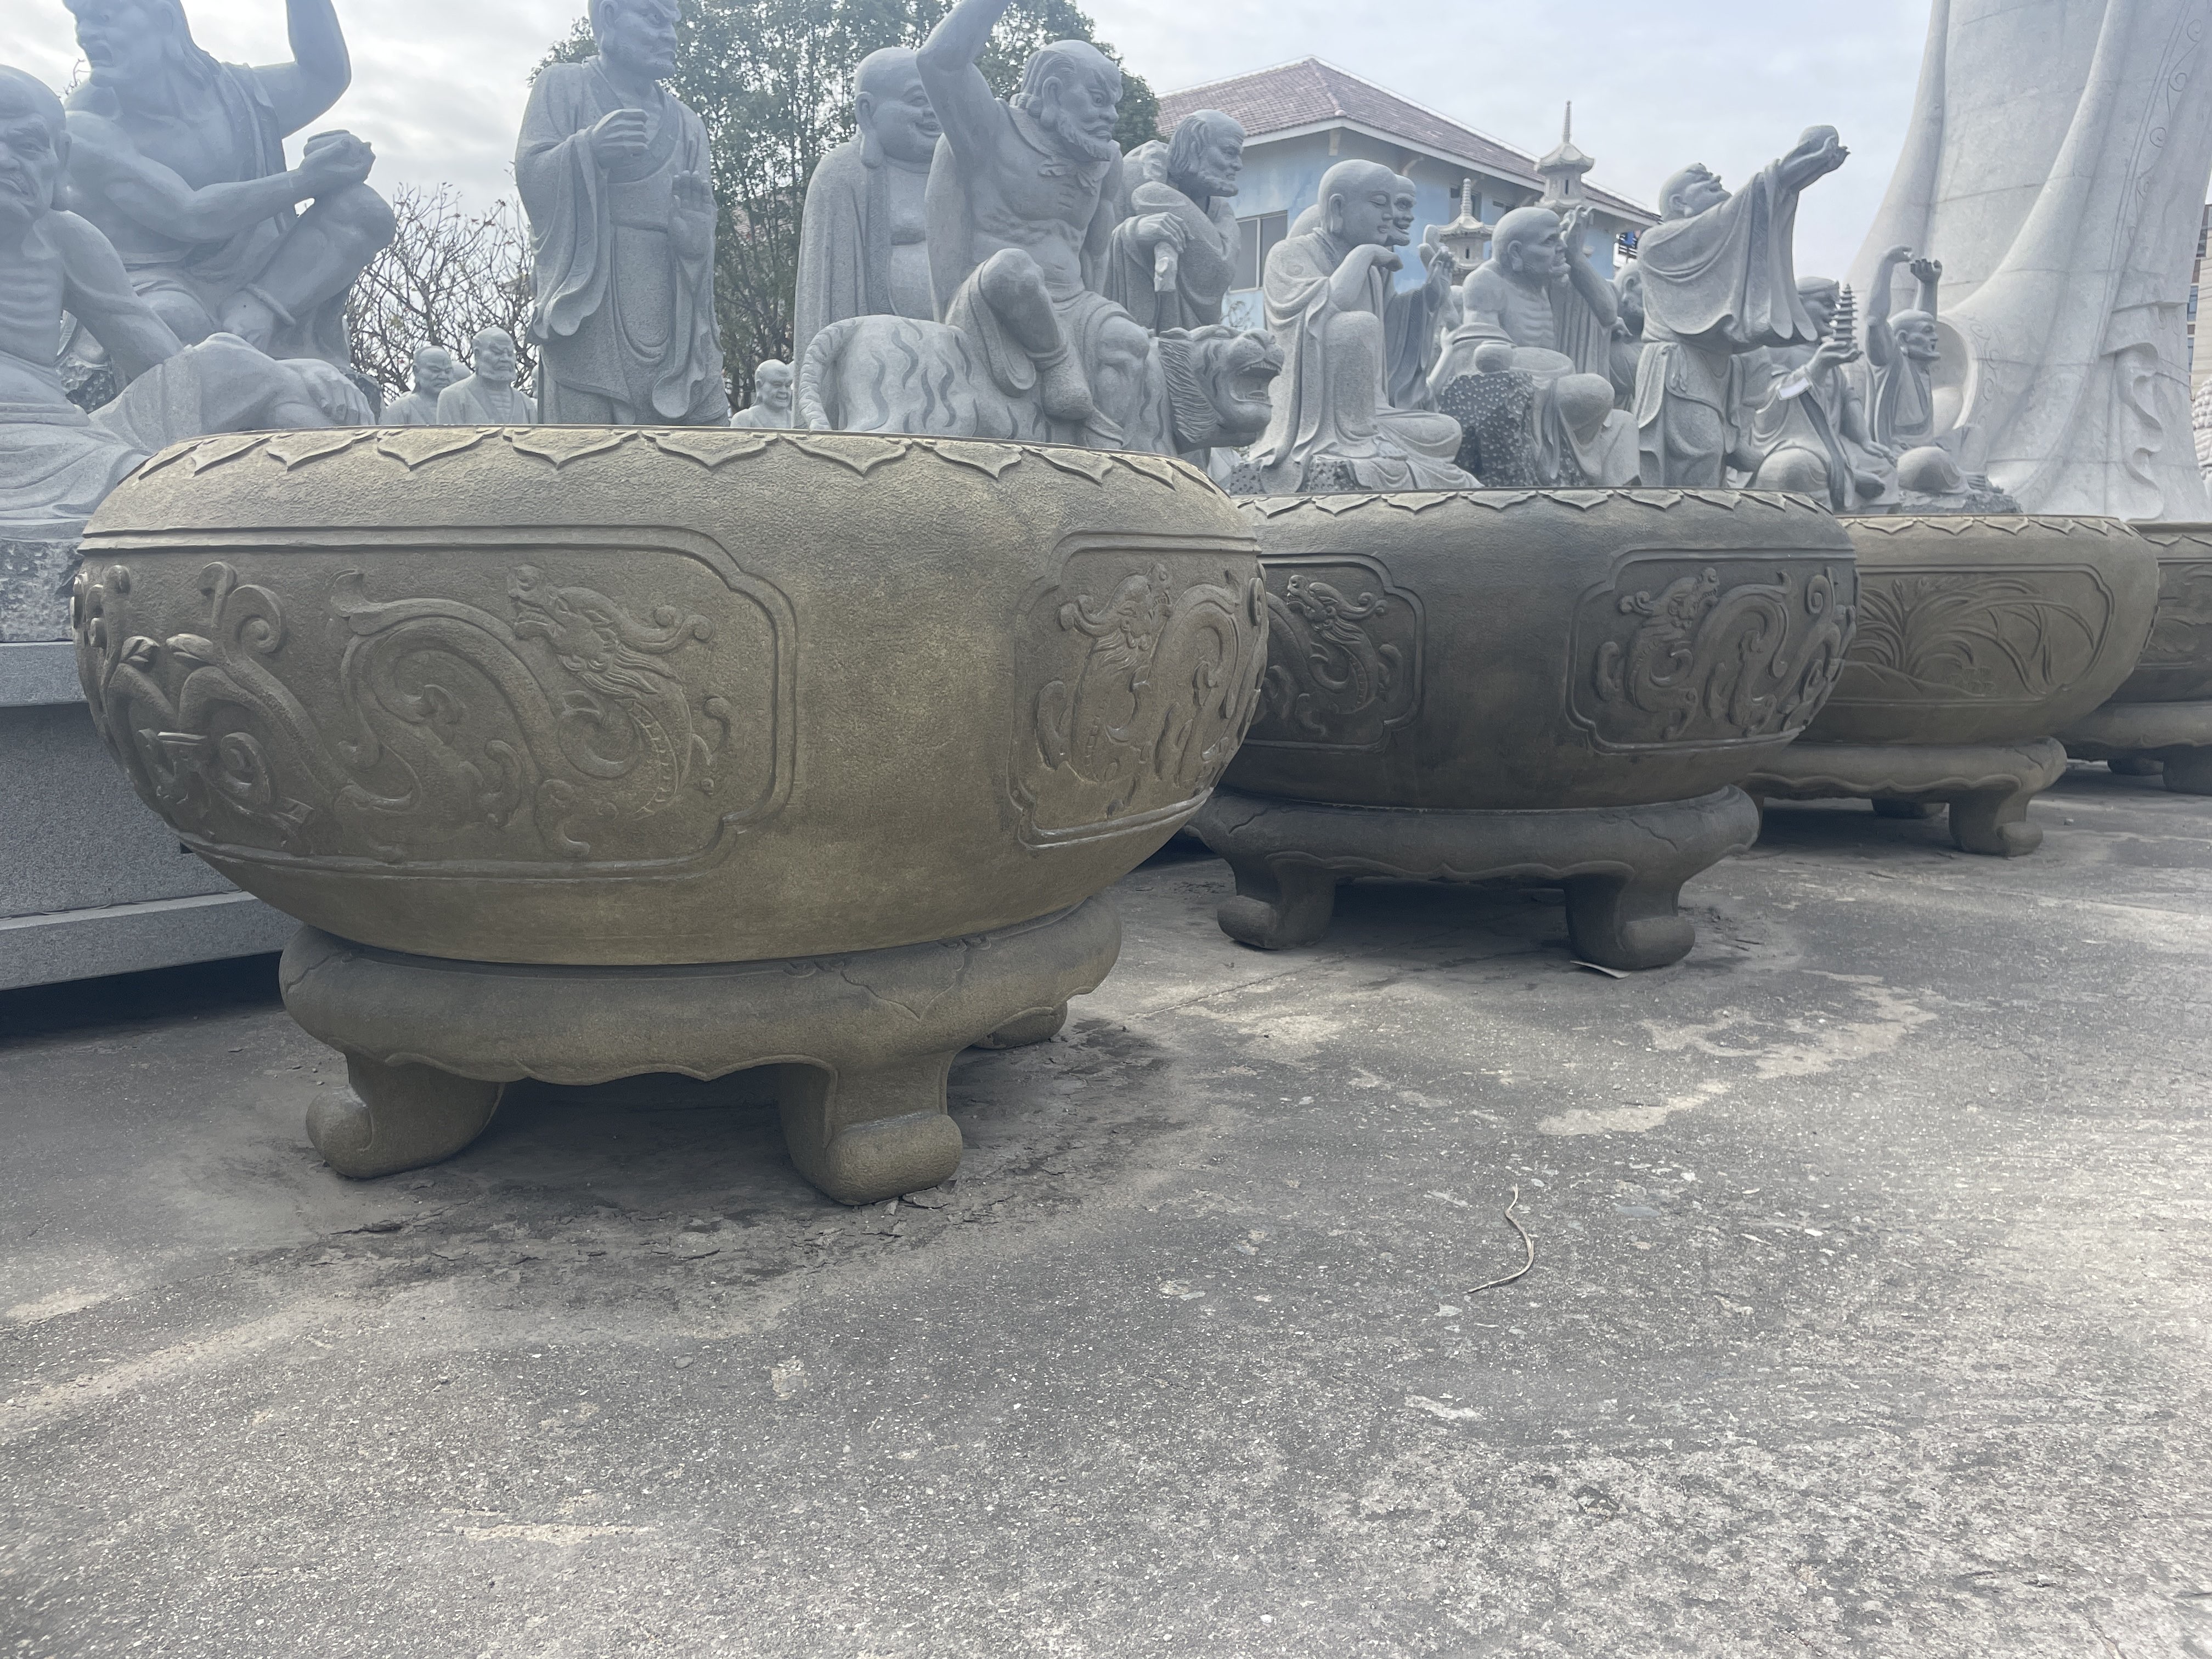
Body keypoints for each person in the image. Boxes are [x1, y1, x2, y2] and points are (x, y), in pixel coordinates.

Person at [0, 66, 363, 534]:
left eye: (27, 146)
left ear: (60, 160)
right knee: (164, 487)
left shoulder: (68, 241)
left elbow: (165, 363)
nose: (5, 161)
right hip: (33, 454)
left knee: (232, 362)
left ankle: (359, 519)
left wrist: (285, 371)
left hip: (64, 437)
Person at [58, 0, 394, 369]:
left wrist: (337, 163)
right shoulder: (81, 125)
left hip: (266, 277)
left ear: (164, 19)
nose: (85, 35)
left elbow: (324, 75)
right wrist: (309, 178)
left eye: (103, 18)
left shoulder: (238, 92)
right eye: (80, 20)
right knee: (175, 324)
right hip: (152, 280)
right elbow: (189, 215)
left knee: (363, 211)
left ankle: (261, 309)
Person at [917, 0, 1135, 435]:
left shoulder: (1106, 161)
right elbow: (938, 63)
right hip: (992, 299)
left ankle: (1107, 441)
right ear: (1053, 92)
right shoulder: (992, 131)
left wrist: (1099, 322)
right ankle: (1058, 362)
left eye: (1113, 104)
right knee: (1013, 268)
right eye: (1098, 101)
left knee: (1130, 341)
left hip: (1075, 304)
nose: (1111, 117)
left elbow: (1096, 255)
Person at [517, 0, 729, 425]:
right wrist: (588, 150)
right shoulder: (564, 86)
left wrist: (696, 239)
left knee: (696, 447)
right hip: (592, 303)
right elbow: (531, 174)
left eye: (673, 23)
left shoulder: (689, 125)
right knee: (589, 451)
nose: (669, 34)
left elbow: (700, 217)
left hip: (673, 311)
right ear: (610, 15)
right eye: (653, 18)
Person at [1633, 128, 1849, 488]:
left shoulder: (1825, 361)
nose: (1717, 180)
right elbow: (1780, 396)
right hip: (1679, 367)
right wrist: (1786, 174)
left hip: (1720, 370)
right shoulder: (1657, 243)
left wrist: (1791, 182)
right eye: (1703, 180)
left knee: (1712, 459)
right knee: (1700, 453)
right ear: (1679, 203)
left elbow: (1741, 229)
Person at [1248, 159, 1472, 493]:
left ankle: (1369, 440)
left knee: (1448, 430)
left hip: (1375, 414)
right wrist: (1365, 253)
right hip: (1315, 422)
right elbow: (1322, 311)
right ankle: (1357, 443)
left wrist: (1429, 297)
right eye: (1380, 204)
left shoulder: (1374, 272)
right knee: (1354, 326)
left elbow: (1389, 331)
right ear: (1338, 207)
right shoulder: (1289, 254)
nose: (1390, 215)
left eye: (1394, 205)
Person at [792, 48, 941, 370]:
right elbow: (833, 292)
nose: (933, 111)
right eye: (918, 100)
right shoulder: (843, 173)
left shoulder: (960, 172)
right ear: (867, 111)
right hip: (880, 358)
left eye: (938, 98)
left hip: (958, 348)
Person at [1103, 110, 1244, 334]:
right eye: (1229, 152)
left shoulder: (1219, 211)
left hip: (1192, 340)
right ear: (1195, 148)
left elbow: (1217, 273)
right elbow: (1092, 258)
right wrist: (1134, 232)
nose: (1238, 165)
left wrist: (1159, 195)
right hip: (1129, 335)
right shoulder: (1129, 177)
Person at [1863, 245, 1945, 453]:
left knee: (1971, 434)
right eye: (1928, 332)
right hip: (1900, 452)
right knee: (1934, 459)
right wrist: (1887, 262)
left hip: (1928, 449)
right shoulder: (1890, 364)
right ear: (1902, 340)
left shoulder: (1918, 365)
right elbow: (1874, 319)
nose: (1935, 337)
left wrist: (1928, 285)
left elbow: (1923, 319)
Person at [436, 328, 535, 424]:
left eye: (510, 354)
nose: (505, 359)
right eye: (498, 353)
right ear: (477, 354)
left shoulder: (527, 404)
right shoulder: (452, 398)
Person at [383, 345, 459, 425]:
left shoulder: (460, 407)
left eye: (448, 371)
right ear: (416, 371)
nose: (443, 376)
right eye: (435, 370)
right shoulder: (400, 409)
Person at [730, 359, 794, 429]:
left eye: (788, 386)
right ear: (759, 385)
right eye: (777, 385)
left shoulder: (795, 421)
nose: (784, 391)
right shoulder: (745, 419)